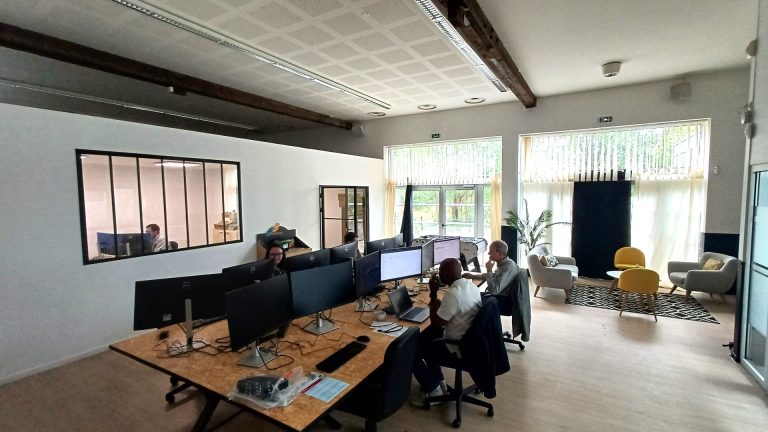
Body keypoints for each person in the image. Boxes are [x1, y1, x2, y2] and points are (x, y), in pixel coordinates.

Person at [411, 257, 481, 405]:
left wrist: (433, 293)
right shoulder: (470, 285)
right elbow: (449, 313)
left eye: (440, 272)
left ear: (445, 276)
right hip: (469, 339)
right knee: (425, 337)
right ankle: (438, 381)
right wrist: (440, 305)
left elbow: (436, 323)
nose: (438, 275)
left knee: (410, 350)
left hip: (456, 346)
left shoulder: (453, 294)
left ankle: (433, 388)